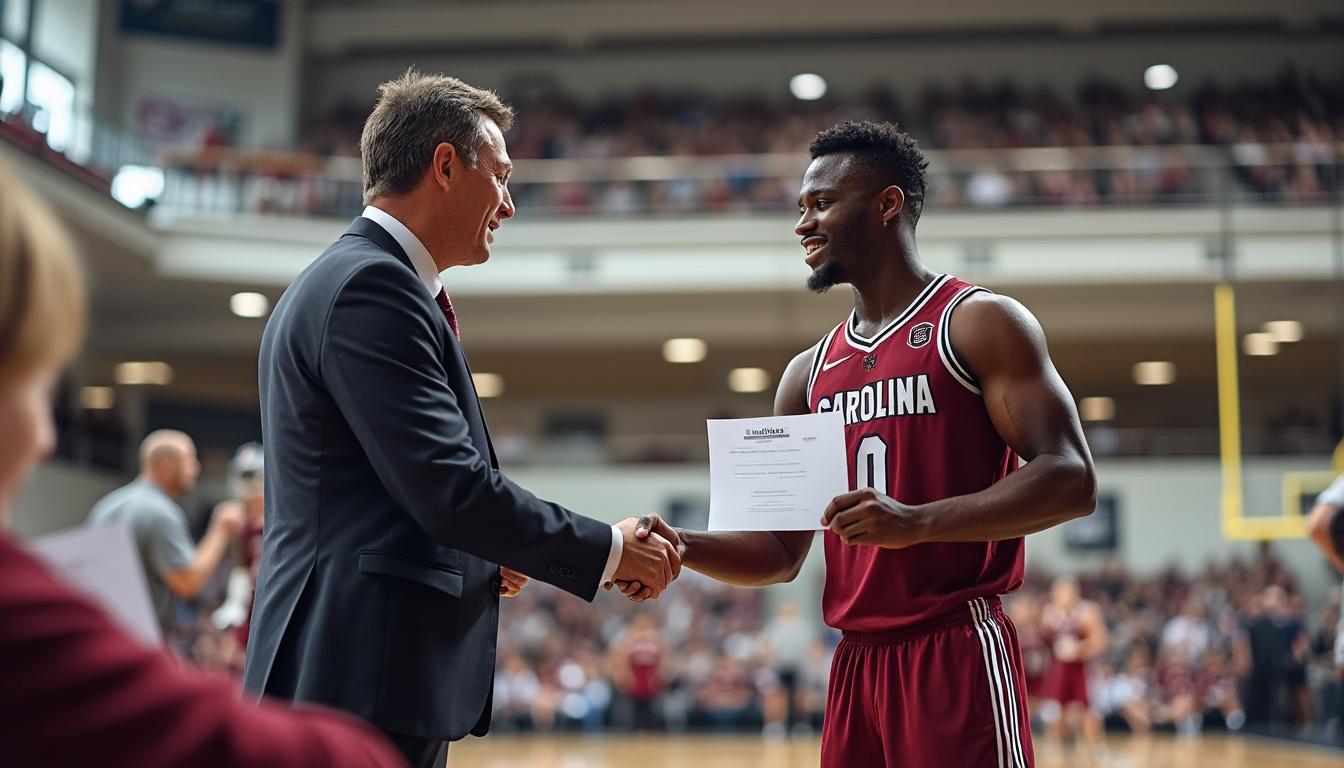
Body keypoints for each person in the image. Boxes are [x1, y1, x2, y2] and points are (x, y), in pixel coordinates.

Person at [243, 70, 681, 768]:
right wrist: (609, 551)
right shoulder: (373, 287)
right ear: (445, 166)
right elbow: (449, 488)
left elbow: (388, 491)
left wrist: (481, 553)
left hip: (357, 666)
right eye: (501, 176)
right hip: (354, 671)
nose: (508, 205)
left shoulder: (366, 279)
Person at [624, 120, 1096, 767]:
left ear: (887, 205)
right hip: (853, 664)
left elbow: (1072, 476)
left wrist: (918, 523)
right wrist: (682, 545)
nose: (803, 224)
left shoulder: (979, 322)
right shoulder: (805, 375)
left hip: (953, 646)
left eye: (821, 203)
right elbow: (781, 551)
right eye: (800, 208)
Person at [0, 158, 404, 766]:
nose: (45, 440)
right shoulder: (157, 518)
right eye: (35, 383)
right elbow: (187, 584)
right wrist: (218, 533)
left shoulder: (112, 504)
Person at [89, 429, 243, 644]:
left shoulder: (106, 506)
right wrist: (221, 528)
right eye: (190, 460)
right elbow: (188, 582)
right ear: (166, 465)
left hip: (104, 635)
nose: (196, 469)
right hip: (140, 642)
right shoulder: (159, 512)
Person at [1039, 576, 1108, 753]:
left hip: (1082, 668)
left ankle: (1097, 749)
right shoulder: (1049, 612)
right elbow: (1044, 640)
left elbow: (1101, 640)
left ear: (1074, 593)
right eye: (1058, 593)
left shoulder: (1087, 611)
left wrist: (1078, 649)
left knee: (1087, 710)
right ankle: (1062, 748)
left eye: (1065, 592)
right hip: (1059, 669)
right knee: (1056, 711)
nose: (1062, 596)